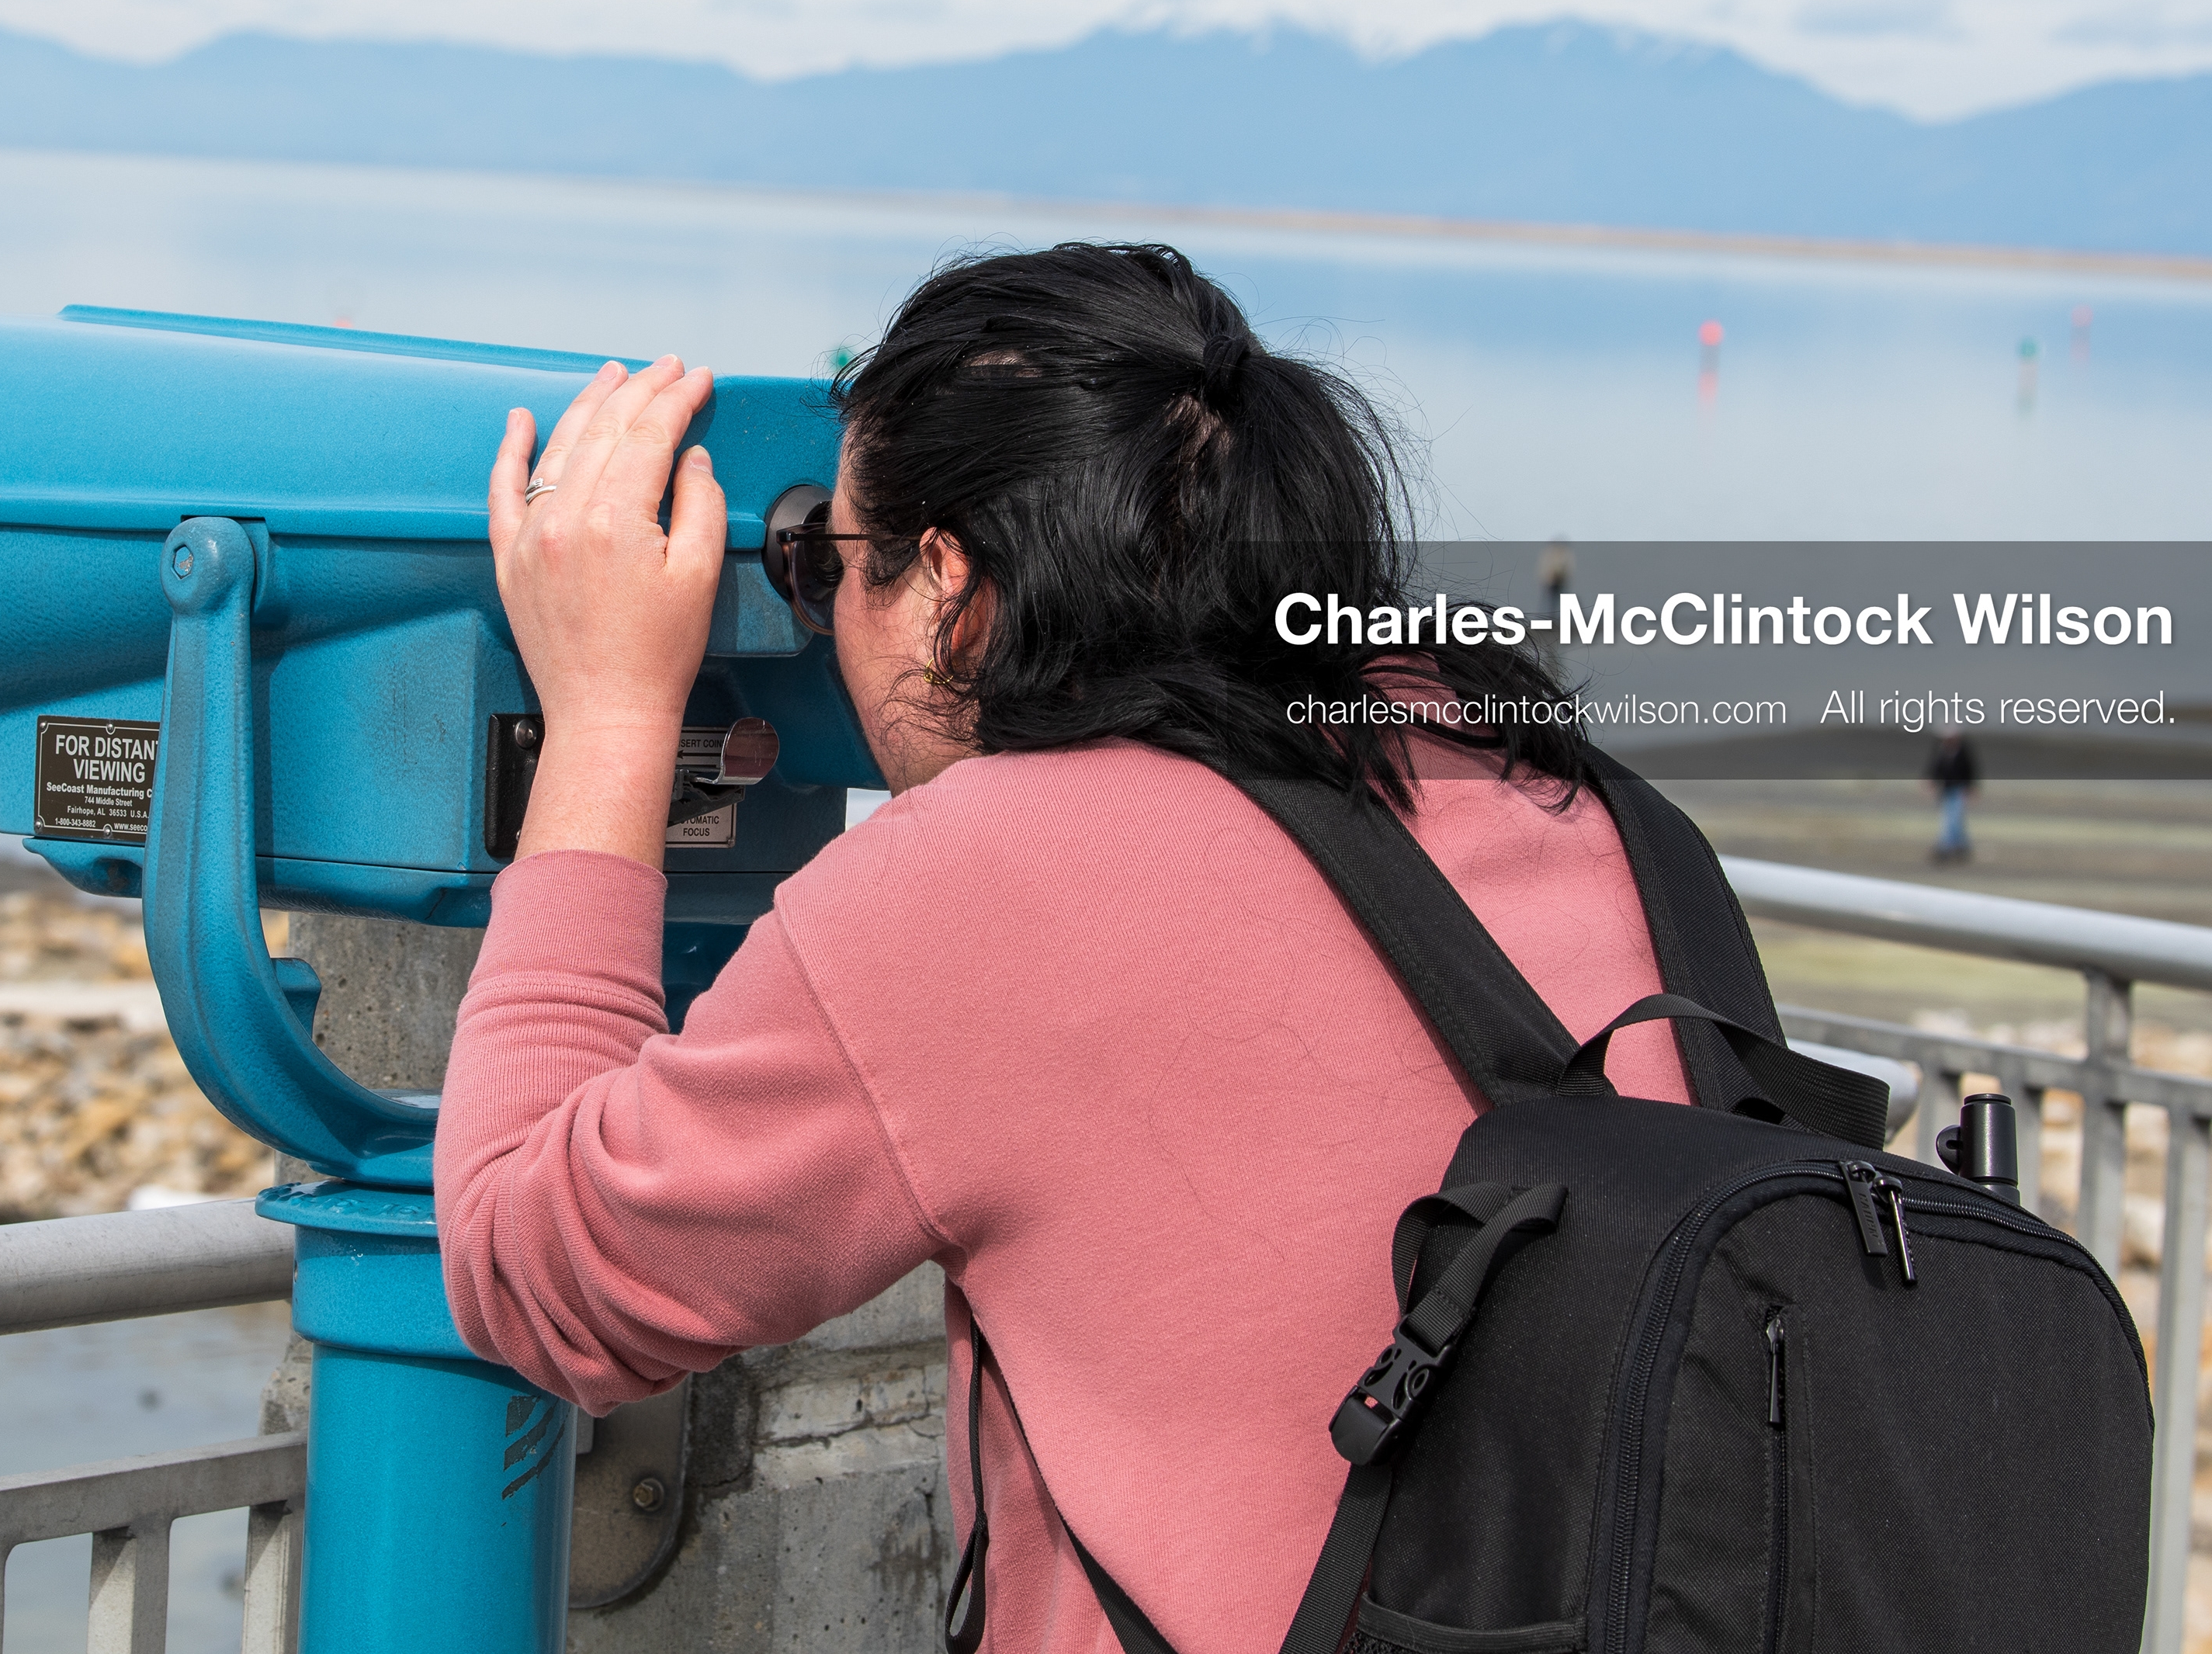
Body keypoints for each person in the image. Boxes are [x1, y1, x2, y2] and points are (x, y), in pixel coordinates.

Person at [435, 243, 1693, 1654]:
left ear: (954, 593)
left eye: (823, 562)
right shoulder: (1569, 795)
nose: (819, 607)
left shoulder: (991, 882)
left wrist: (606, 715)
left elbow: (533, 1276)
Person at [1927, 722, 1979, 863]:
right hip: (1946, 789)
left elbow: (1970, 769)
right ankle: (1958, 847)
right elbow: (1936, 767)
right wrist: (1931, 781)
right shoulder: (1942, 750)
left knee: (1954, 818)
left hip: (1959, 789)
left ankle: (1948, 847)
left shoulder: (1962, 750)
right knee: (1948, 817)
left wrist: (1971, 788)